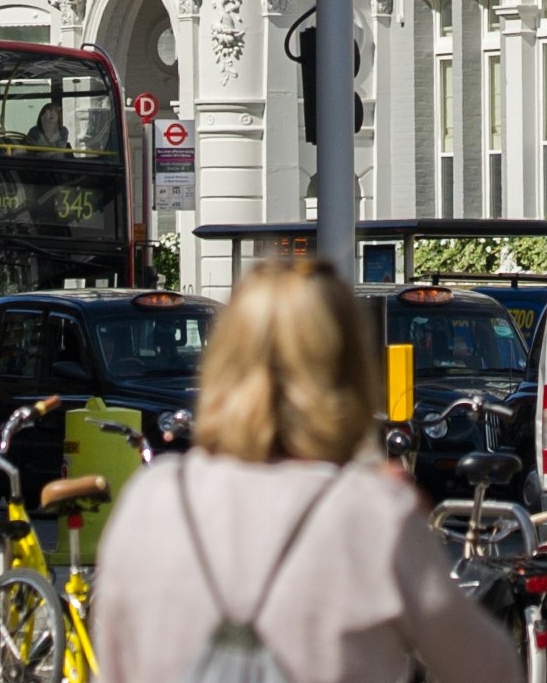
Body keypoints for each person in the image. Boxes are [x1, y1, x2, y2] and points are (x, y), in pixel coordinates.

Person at [93, 262, 515, 683]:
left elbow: (112, 665)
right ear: (352, 373)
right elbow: (491, 667)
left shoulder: (151, 500)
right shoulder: (373, 515)